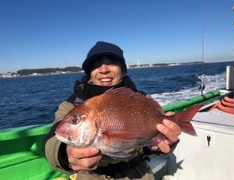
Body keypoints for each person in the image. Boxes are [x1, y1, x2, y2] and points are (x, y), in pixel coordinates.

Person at [45, 41, 181, 180]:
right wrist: (65, 152)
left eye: (111, 63)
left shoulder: (142, 100)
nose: (103, 69)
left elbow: (150, 143)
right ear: (89, 73)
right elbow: (52, 141)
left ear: (123, 70)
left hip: (140, 174)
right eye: (95, 65)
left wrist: (161, 143)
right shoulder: (72, 105)